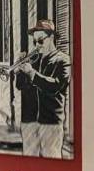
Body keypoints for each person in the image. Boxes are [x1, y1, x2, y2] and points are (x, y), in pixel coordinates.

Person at [14, 19, 71, 158]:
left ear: (51, 38)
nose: (37, 46)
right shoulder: (33, 60)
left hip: (50, 121)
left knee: (52, 159)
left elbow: (55, 86)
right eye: (34, 42)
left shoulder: (63, 60)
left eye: (40, 41)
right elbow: (20, 86)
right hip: (29, 121)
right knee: (29, 161)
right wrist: (19, 70)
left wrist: (32, 73)